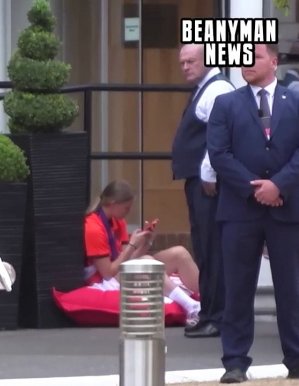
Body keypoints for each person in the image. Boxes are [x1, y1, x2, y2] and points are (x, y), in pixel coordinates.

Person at [208, 43, 299, 383]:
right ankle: (234, 362)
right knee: (238, 288)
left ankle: (296, 357)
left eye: (256, 57)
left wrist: (280, 186)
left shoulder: (296, 103)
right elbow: (219, 154)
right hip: (239, 210)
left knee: (291, 288)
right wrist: (257, 188)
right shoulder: (226, 103)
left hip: (287, 208)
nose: (247, 64)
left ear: (274, 62)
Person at [171, 43, 235, 339]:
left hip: (208, 185)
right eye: (182, 62)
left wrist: (208, 173)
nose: (185, 66)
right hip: (198, 181)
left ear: (207, 61)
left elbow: (219, 136)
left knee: (213, 248)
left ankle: (218, 316)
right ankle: (209, 312)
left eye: (191, 61)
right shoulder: (204, 88)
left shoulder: (217, 89)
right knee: (205, 248)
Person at [84, 180, 201, 326]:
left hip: (119, 271)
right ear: (113, 203)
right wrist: (132, 244)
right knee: (147, 261)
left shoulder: (117, 221)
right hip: (105, 281)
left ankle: (209, 301)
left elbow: (129, 259)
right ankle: (192, 306)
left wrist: (147, 241)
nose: (128, 212)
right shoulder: (93, 227)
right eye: (126, 208)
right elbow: (108, 273)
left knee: (179, 253)